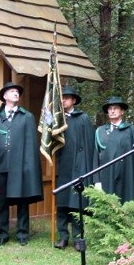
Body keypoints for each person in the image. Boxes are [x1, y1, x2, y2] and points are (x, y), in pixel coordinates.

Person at [0, 82, 43, 246]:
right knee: (3, 201)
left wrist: (29, 167)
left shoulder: (27, 116)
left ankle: (22, 233)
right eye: (12, 91)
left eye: (17, 92)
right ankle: (3, 234)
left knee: (22, 200)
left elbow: (31, 143)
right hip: (1, 166)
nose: (15, 93)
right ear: (4, 96)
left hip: (20, 166)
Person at [54, 86, 95, 250]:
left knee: (76, 201)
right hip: (62, 164)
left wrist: (86, 166)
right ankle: (63, 236)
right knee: (62, 202)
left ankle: (78, 237)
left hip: (79, 166)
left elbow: (89, 143)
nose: (64, 100)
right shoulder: (56, 119)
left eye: (67, 98)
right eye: (62, 97)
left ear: (74, 100)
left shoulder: (82, 118)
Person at [93, 96, 134, 204]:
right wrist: (96, 180)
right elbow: (96, 157)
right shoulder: (100, 131)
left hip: (127, 176)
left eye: (116, 108)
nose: (112, 111)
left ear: (122, 111)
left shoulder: (131, 130)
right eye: (110, 108)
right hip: (106, 176)